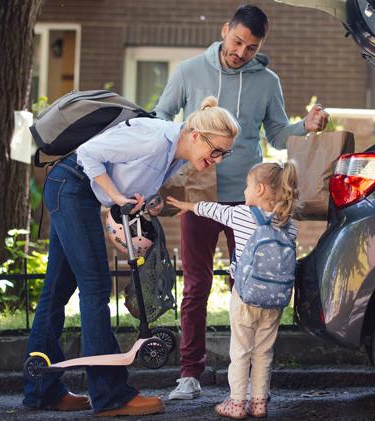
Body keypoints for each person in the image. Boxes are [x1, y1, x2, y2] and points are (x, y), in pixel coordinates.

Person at [153, 4, 328, 400]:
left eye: (251, 47)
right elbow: (162, 117)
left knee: (247, 286)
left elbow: (280, 134)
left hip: (251, 199)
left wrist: (308, 126)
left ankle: (247, 374)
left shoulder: (267, 81)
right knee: (196, 285)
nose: (241, 52)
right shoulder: (188, 72)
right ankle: (189, 374)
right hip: (199, 193)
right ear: (224, 31)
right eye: (237, 42)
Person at [22, 96, 239, 416]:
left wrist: (145, 203)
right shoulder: (153, 138)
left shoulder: (176, 155)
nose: (218, 159)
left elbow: (130, 176)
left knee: (56, 290)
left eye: (225, 153)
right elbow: (87, 154)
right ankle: (111, 395)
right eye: (216, 151)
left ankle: (42, 390)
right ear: (196, 135)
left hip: (73, 191)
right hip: (71, 187)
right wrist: (116, 197)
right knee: (95, 289)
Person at [166, 161, 299, 418]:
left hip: (245, 295)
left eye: (247, 186)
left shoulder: (241, 214)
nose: (244, 192)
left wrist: (189, 205)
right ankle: (259, 402)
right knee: (263, 352)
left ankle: (237, 402)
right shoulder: (289, 224)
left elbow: (212, 210)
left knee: (241, 351)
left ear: (259, 189)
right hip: (275, 300)